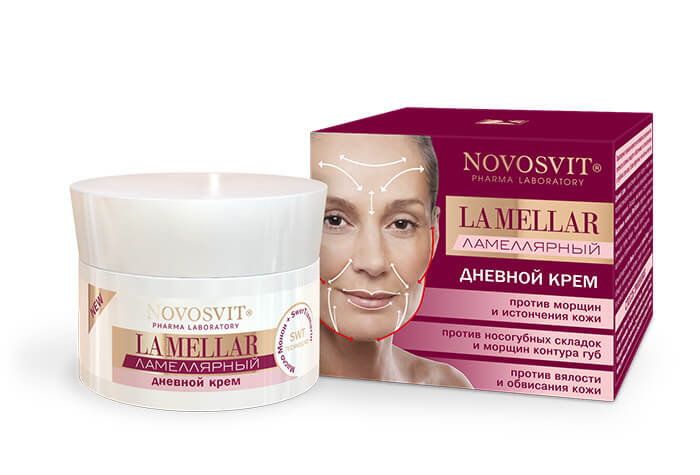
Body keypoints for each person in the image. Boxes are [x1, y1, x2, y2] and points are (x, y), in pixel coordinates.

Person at [312, 133, 472, 388]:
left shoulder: (450, 389)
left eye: (401, 224)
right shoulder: (265, 390)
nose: (373, 263)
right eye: (334, 220)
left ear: (435, 235)